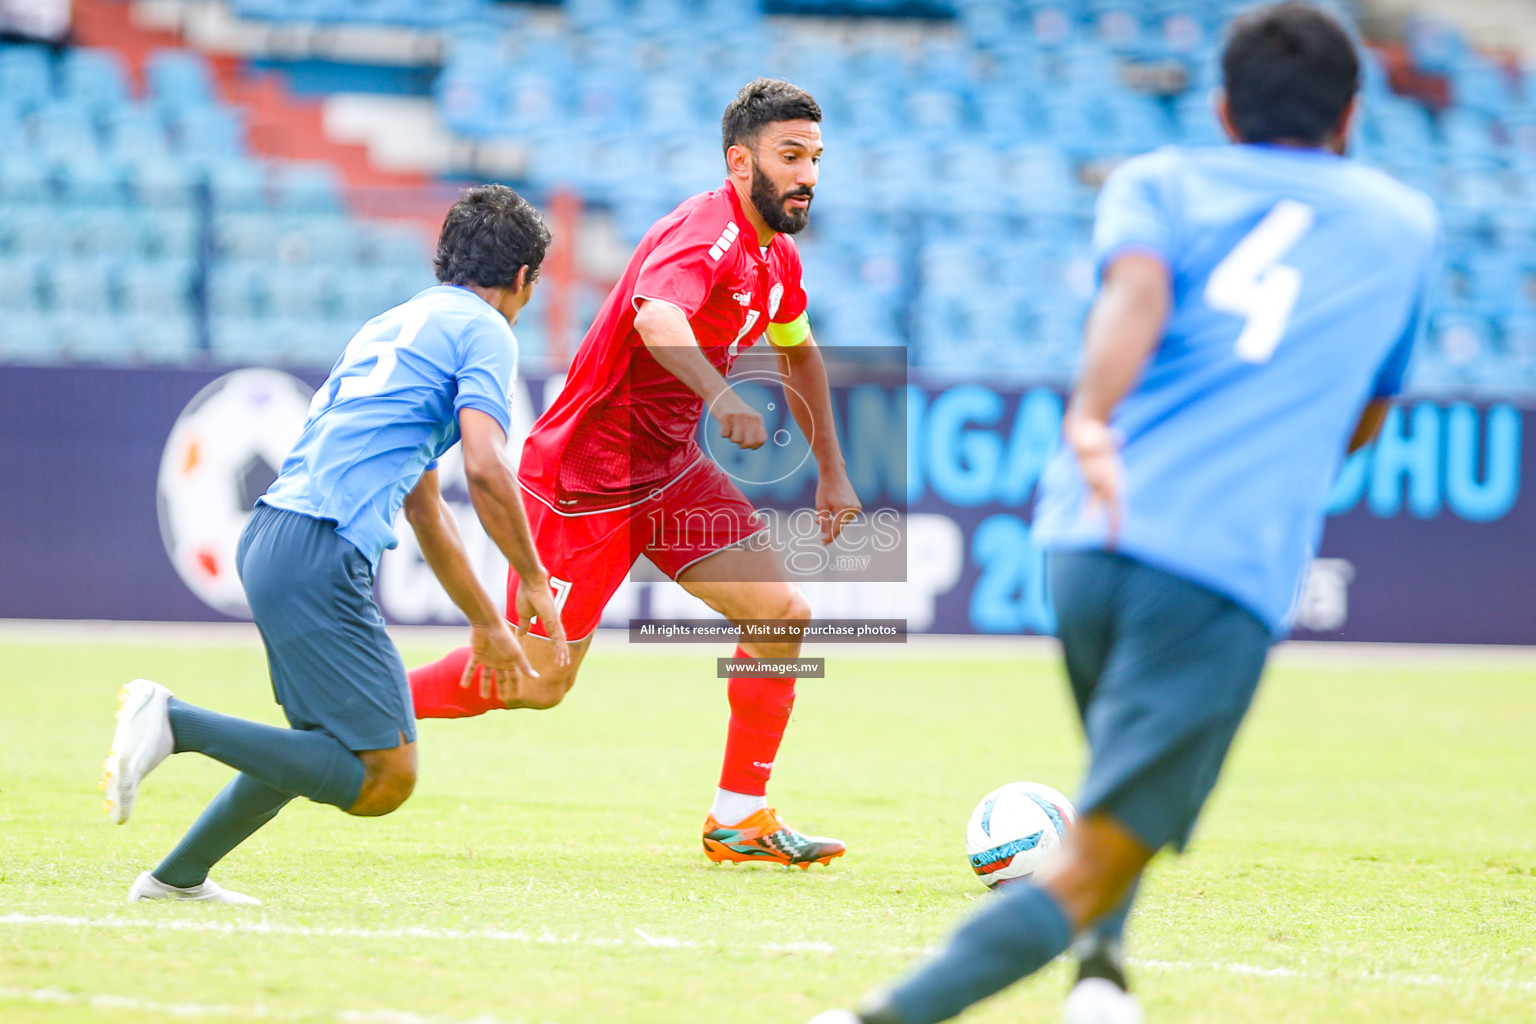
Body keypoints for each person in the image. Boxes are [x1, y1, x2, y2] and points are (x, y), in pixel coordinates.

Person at [806, 3, 1438, 1021]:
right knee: (1102, 848)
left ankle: (1102, 979)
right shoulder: (1401, 224)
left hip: (1085, 538)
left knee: (1114, 784)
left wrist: (1093, 417)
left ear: (1225, 110)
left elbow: (1133, 298)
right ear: (1352, 115)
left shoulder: (1158, 179)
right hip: (1218, 564)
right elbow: (1366, 415)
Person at [407, 77, 861, 868]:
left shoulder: (776, 259)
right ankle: (356, 701)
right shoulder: (706, 229)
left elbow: (800, 350)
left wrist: (832, 472)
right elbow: (658, 317)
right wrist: (721, 398)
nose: (808, 175)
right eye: (791, 156)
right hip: (584, 479)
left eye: (816, 158)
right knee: (538, 681)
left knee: (781, 615)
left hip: (668, 473)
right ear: (740, 161)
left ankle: (739, 820)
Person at [102, 184, 568, 904]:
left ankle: (177, 877)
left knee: (317, 741)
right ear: (521, 279)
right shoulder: (487, 330)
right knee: (386, 776)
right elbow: (484, 465)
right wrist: (532, 580)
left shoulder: (393, 325)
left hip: (273, 540)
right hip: (321, 548)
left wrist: (485, 621)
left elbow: (424, 509)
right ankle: (174, 721)